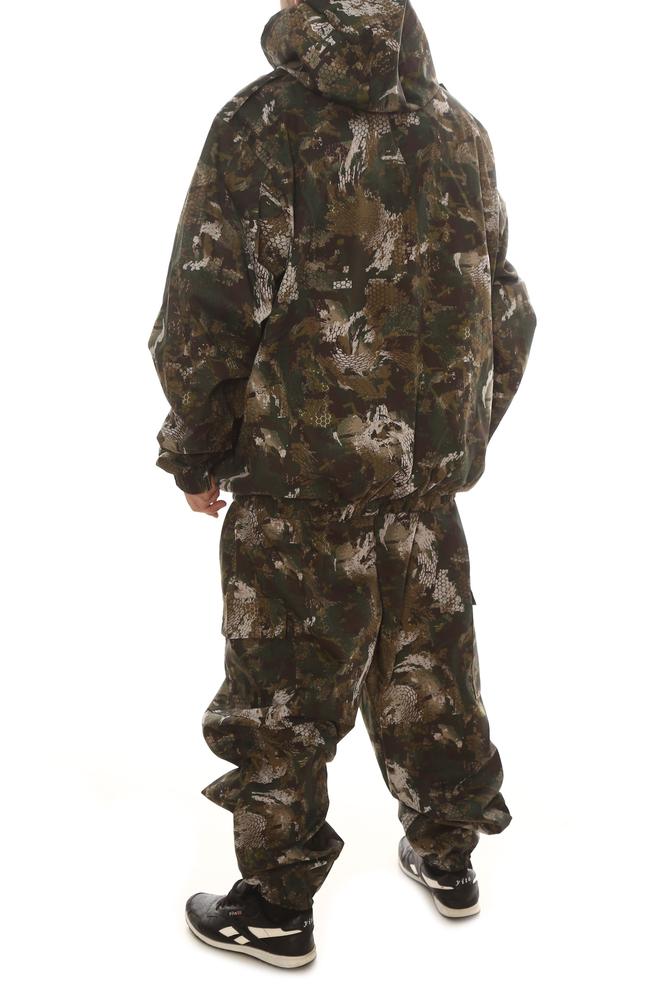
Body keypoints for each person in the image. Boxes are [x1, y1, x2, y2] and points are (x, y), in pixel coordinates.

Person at [148, 0, 536, 969]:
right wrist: (445, 442)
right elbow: (504, 310)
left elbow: (207, 306)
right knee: (429, 669)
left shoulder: (260, 123)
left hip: (300, 483)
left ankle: (276, 904)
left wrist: (196, 448)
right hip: (422, 486)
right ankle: (447, 852)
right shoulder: (459, 132)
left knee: (283, 686)